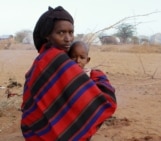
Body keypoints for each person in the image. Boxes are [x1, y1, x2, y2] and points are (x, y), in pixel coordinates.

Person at [21, 6, 117, 141]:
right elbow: (104, 101)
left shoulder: (45, 57)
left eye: (71, 33)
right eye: (61, 33)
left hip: (36, 130)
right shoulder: (56, 59)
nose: (68, 38)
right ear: (47, 35)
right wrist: (97, 77)